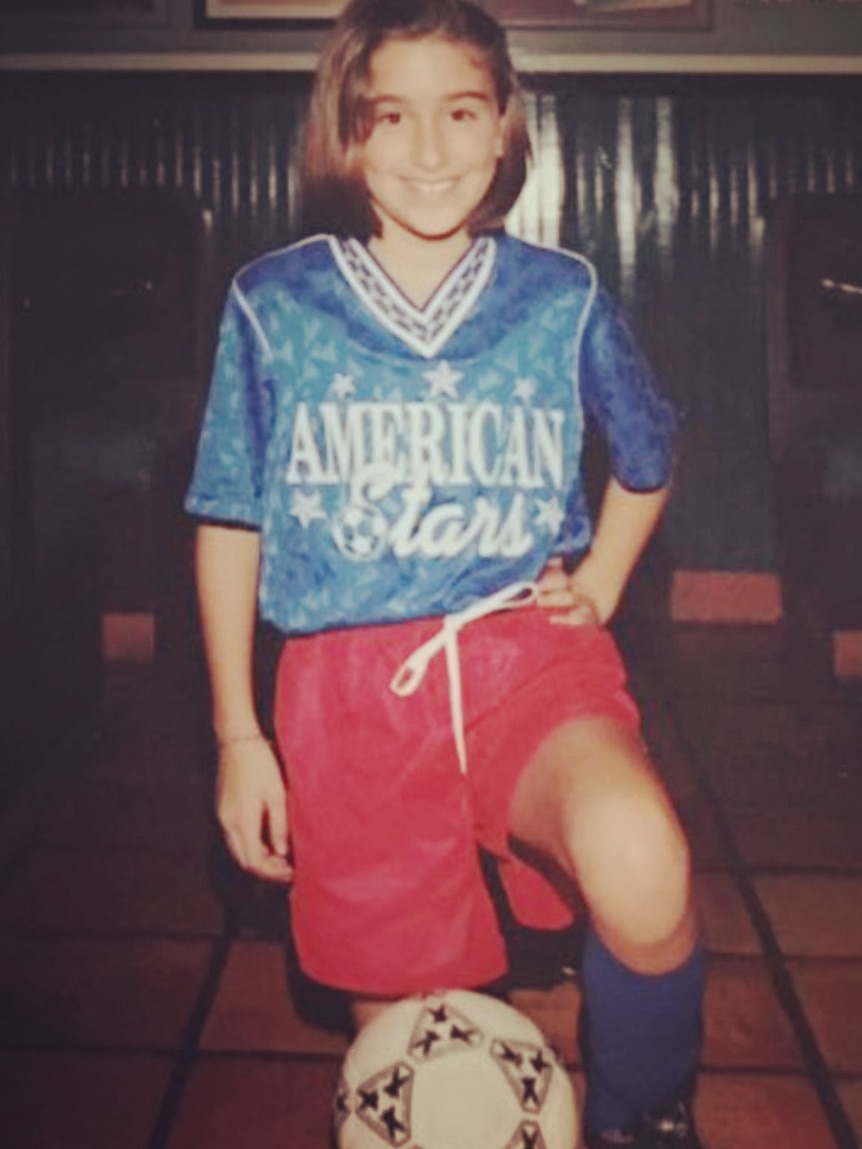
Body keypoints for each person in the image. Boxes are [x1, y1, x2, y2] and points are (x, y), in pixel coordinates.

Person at [184, 2, 705, 1145]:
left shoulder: (558, 293)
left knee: (642, 862)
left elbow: (650, 450)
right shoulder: (275, 306)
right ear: (349, 136)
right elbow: (229, 515)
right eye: (392, 116)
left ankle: (638, 1116)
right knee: (419, 1060)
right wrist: (237, 736)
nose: (429, 150)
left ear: (503, 126)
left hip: (526, 653)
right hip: (348, 698)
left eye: (459, 112)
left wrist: (605, 582)